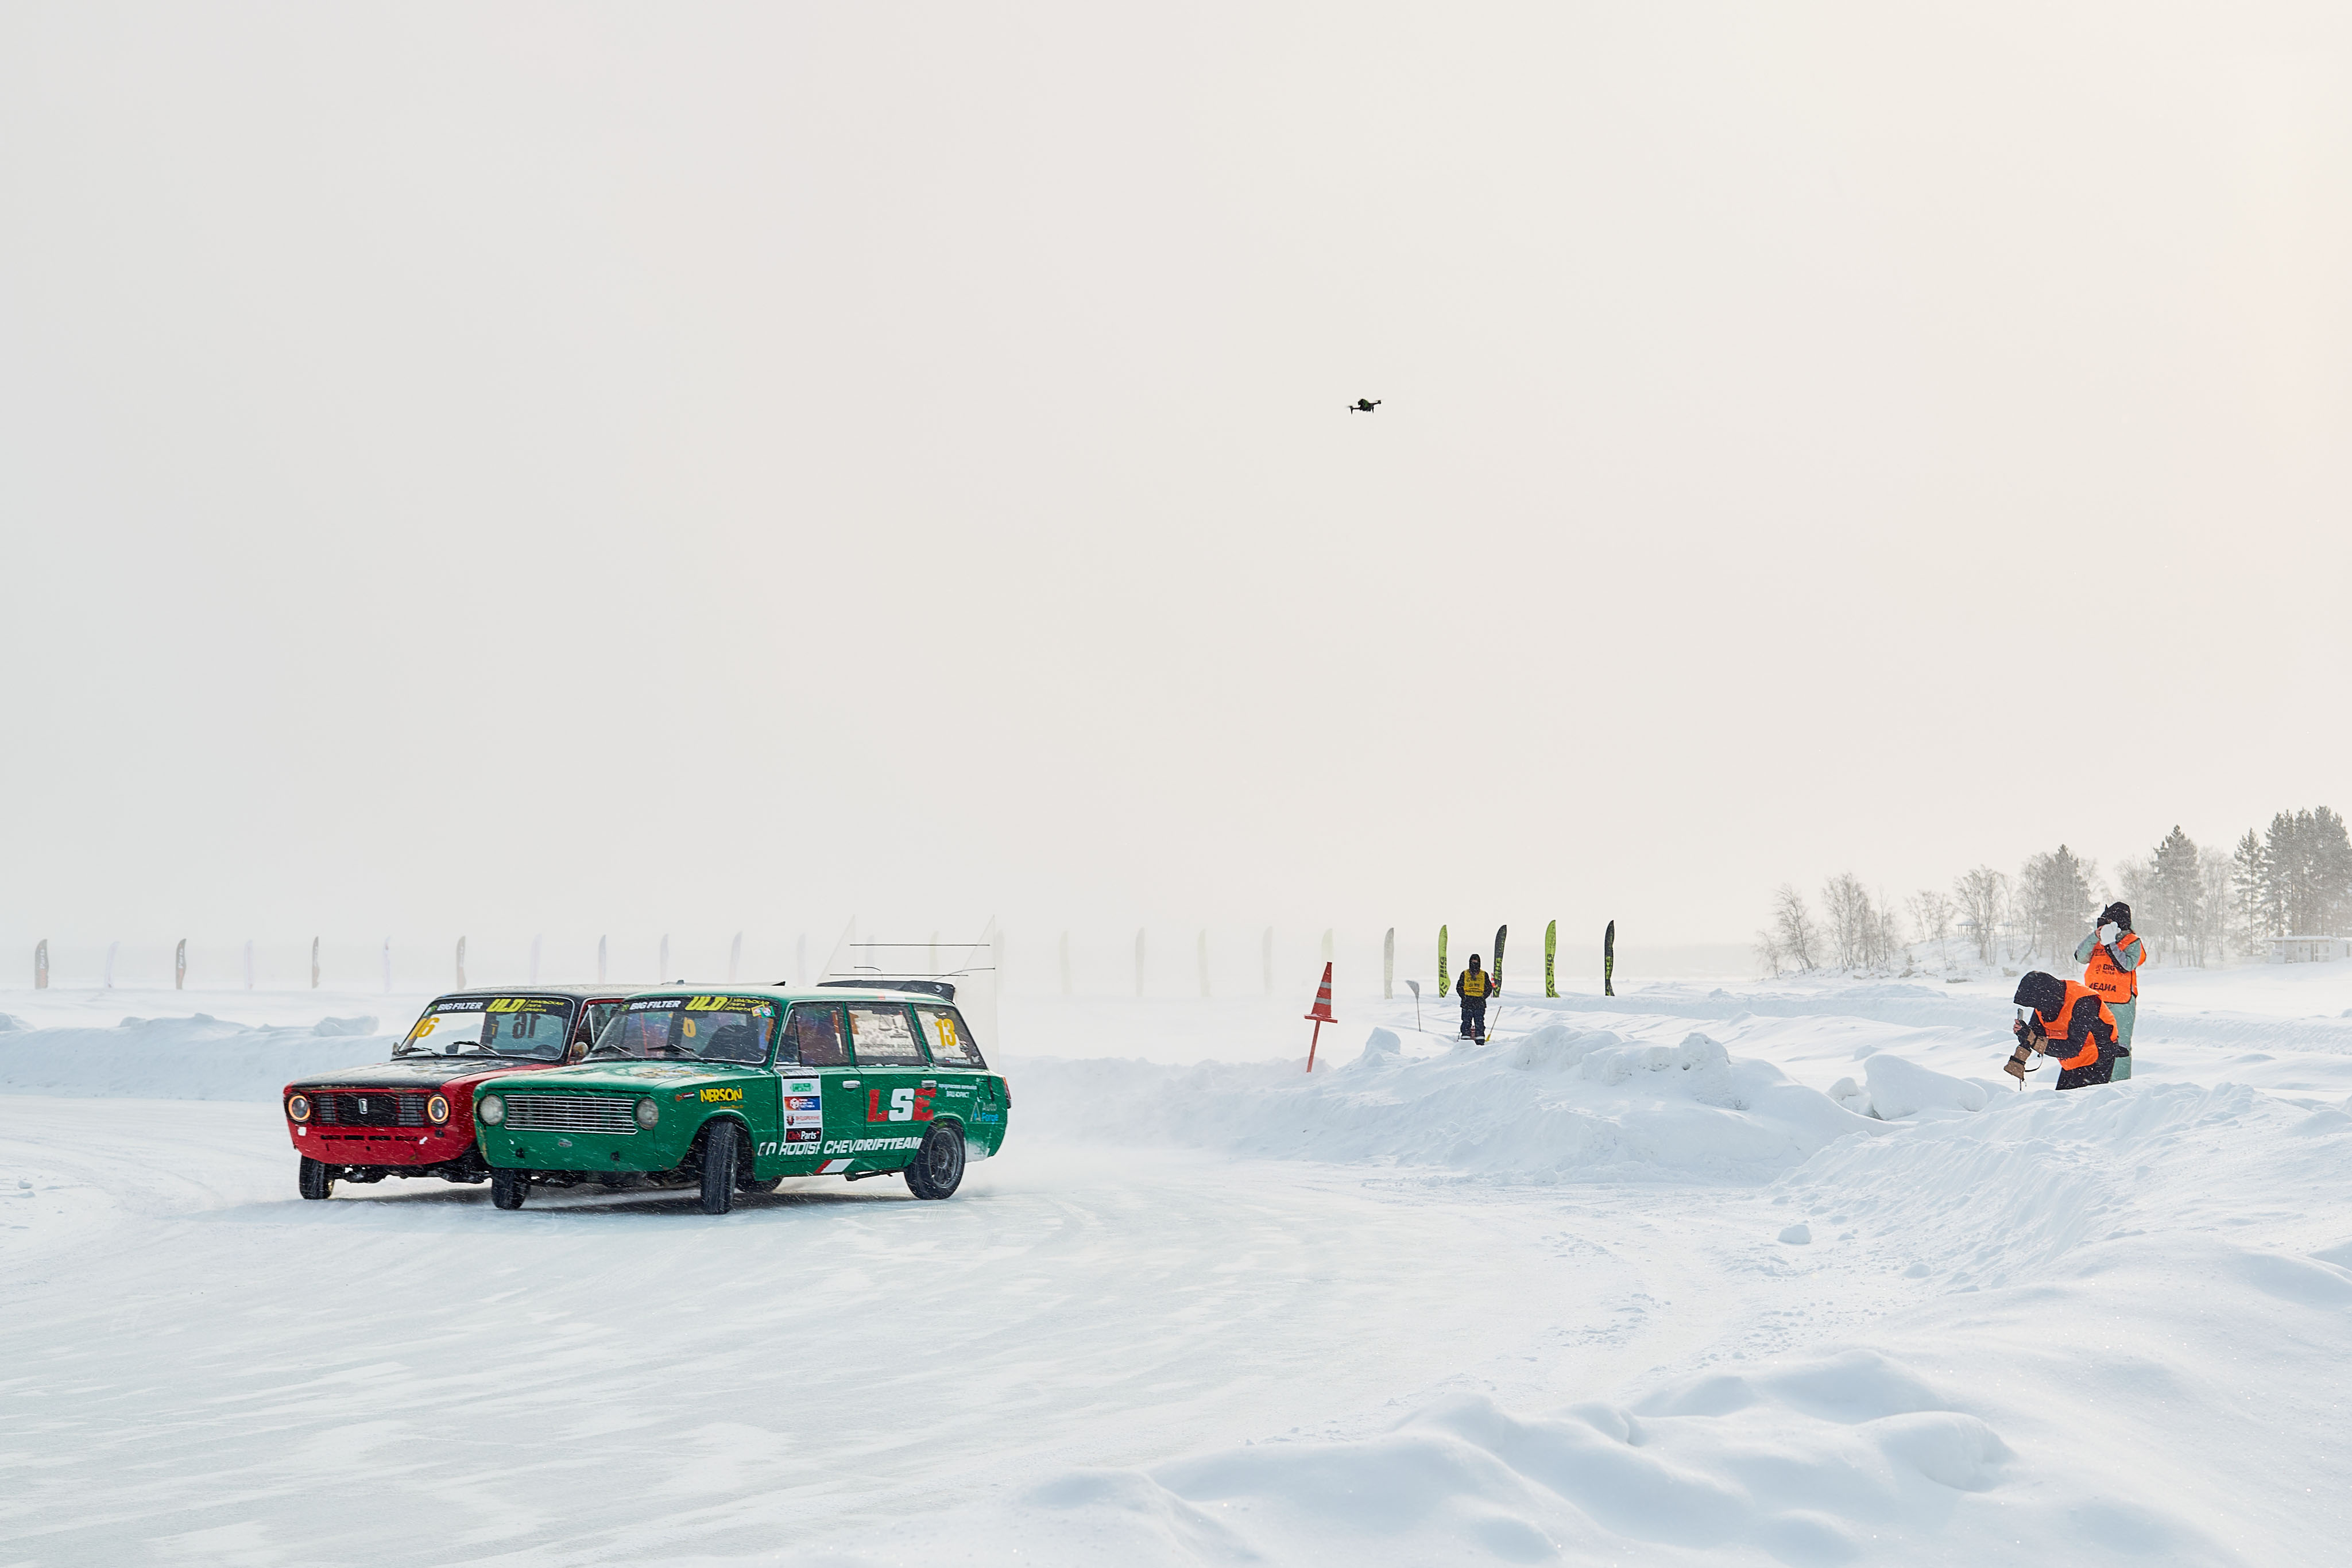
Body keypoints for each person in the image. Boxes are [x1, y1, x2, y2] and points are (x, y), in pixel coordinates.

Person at [2012, 970, 2124, 1090]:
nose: (2037, 1009)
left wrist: (2034, 1040)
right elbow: (2036, 1034)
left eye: (2037, 1004)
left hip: (2098, 1058)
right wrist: (2024, 1033)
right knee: (2061, 1099)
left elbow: (2073, 1048)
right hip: (2072, 1060)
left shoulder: (2083, 1001)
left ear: (2046, 997)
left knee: (2081, 1100)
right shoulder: (2046, 1001)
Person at [2075, 902, 2145, 1081]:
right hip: (2096, 1002)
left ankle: (2119, 1084)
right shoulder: (2097, 941)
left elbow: (2126, 965)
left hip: (2121, 1004)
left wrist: (2110, 943)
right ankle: (2093, 1082)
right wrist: (2096, 936)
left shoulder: (2133, 942)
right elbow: (2080, 957)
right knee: (2092, 1043)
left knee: (2120, 1046)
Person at [1456, 954, 1492, 1041]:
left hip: (1479, 1002)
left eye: (1476, 962)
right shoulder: (1465, 974)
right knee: (1466, 1022)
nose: (1474, 964)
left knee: (1479, 1022)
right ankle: (1465, 1040)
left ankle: (1480, 1040)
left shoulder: (1484, 974)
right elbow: (1459, 987)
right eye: (1472, 962)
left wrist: (1482, 997)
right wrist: (1464, 997)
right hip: (1467, 1002)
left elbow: (1489, 988)